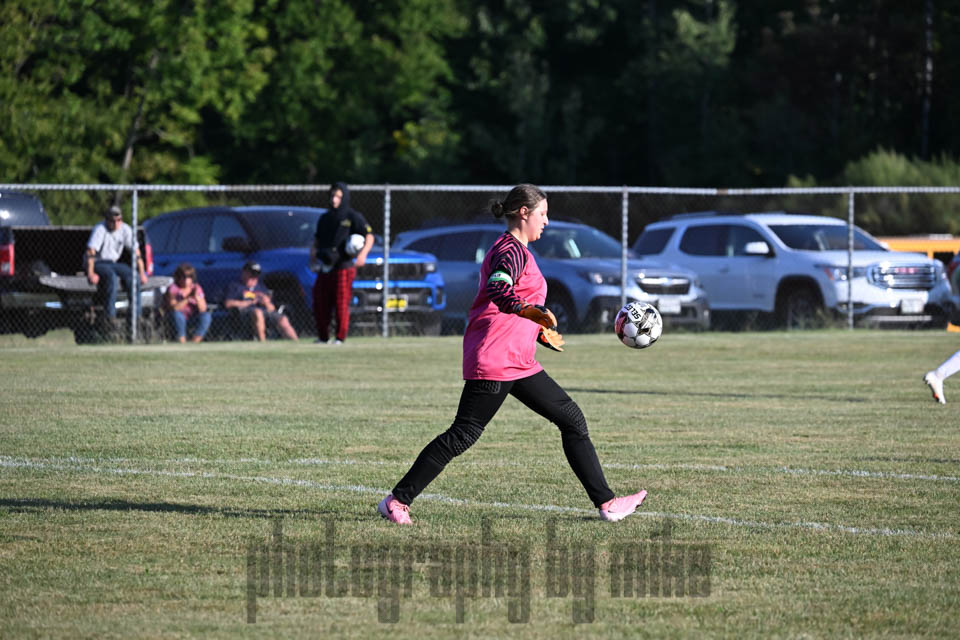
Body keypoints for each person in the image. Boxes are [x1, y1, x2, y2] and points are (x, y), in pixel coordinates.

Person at [376, 184, 647, 525]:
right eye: (542, 214)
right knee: (463, 433)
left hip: (518, 361)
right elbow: (500, 290)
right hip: (496, 359)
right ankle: (397, 501)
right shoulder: (511, 251)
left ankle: (607, 503)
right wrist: (529, 312)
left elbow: (512, 303)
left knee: (572, 420)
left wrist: (538, 332)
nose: (546, 222)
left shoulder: (517, 250)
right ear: (524, 213)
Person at [310, 182, 374, 344]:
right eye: (332, 195)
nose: (334, 199)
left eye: (338, 196)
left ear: (344, 197)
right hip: (325, 266)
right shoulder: (325, 218)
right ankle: (323, 337)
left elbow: (369, 236)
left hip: (343, 267)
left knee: (341, 303)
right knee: (320, 302)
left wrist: (362, 255)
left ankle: (340, 337)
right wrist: (313, 255)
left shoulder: (352, 216)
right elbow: (317, 240)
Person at [85, 204, 147, 325]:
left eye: (118, 220)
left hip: (113, 263)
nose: (116, 223)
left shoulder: (125, 229)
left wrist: (142, 273)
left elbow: (137, 253)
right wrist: (91, 273)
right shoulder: (100, 229)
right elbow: (90, 253)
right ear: (107, 220)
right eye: (112, 220)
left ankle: (136, 317)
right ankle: (110, 317)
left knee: (132, 277)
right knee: (111, 277)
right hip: (99, 263)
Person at [223, 261, 298, 341]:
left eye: (256, 275)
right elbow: (228, 304)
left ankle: (295, 343)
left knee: (282, 319)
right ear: (244, 273)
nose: (254, 278)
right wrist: (251, 302)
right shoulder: (235, 286)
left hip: (265, 312)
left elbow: (272, 309)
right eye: (252, 275)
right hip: (244, 314)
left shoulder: (261, 288)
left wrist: (266, 302)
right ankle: (263, 342)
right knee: (257, 312)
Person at [164, 263, 212, 343]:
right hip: (178, 318)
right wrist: (188, 298)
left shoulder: (196, 288)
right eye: (183, 277)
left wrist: (197, 297)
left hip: (193, 316)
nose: (186, 279)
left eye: (189, 277)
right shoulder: (173, 289)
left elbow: (203, 309)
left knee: (206, 316)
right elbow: (174, 308)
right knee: (177, 315)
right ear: (178, 277)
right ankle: (182, 341)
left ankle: (195, 342)